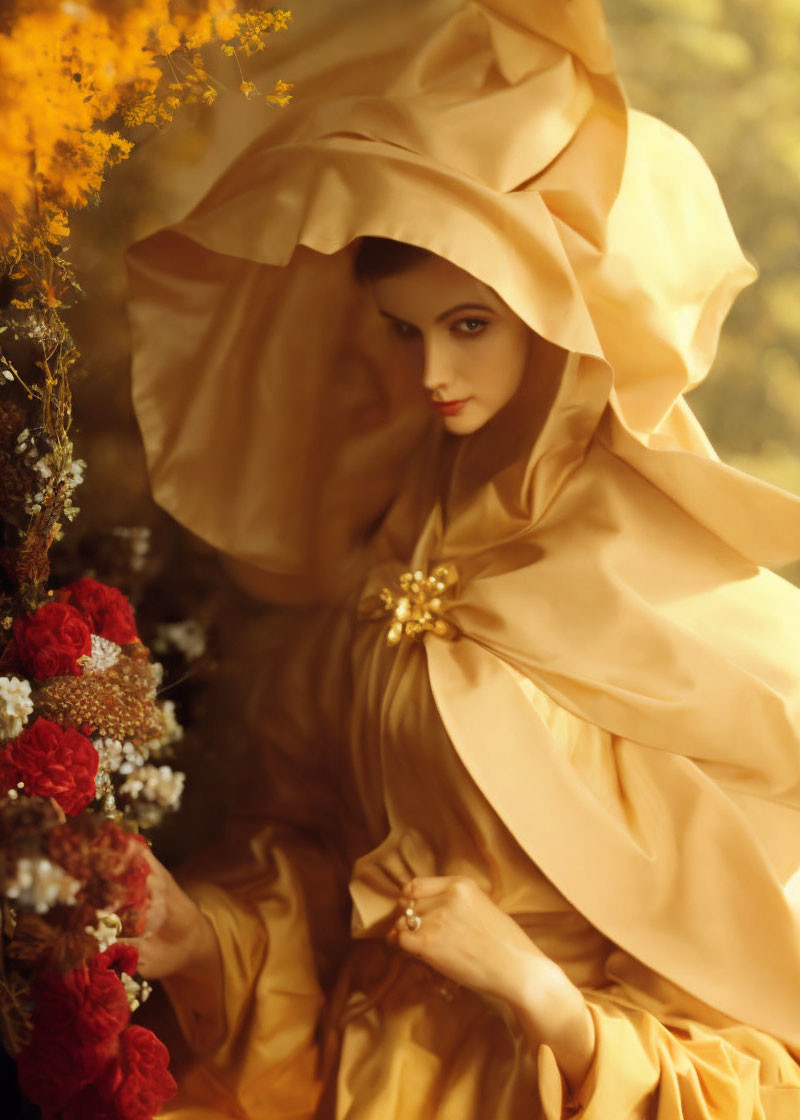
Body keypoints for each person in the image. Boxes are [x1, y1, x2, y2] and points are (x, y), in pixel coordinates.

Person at [125, 1, 800, 1115]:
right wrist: (199, 935)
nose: (432, 369)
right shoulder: (385, 562)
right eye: (402, 328)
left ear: (555, 319)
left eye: (470, 323)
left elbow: (754, 1017)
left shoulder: (686, 606)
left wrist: (539, 995)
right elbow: (305, 860)